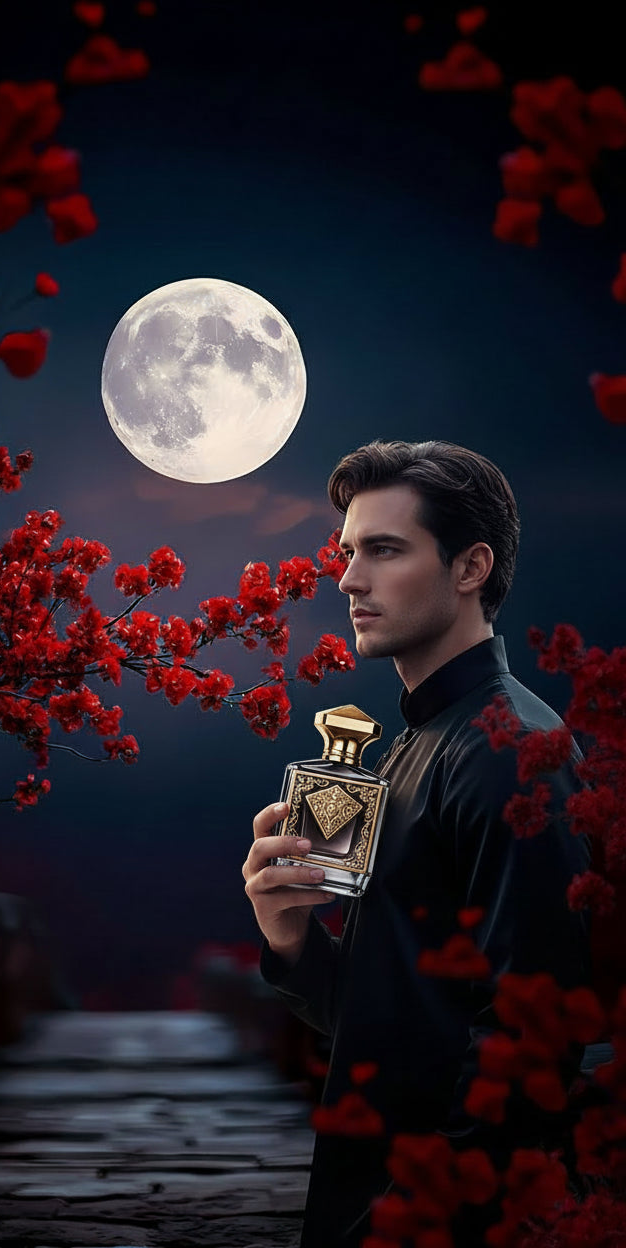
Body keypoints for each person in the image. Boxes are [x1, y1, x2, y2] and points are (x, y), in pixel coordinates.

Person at [242, 440, 591, 1247]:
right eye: (347, 553)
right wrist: (289, 936)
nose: (349, 580)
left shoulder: (509, 751)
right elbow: (388, 1021)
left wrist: (412, 1221)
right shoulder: (412, 746)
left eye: (384, 550)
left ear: (471, 568)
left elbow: (533, 1042)